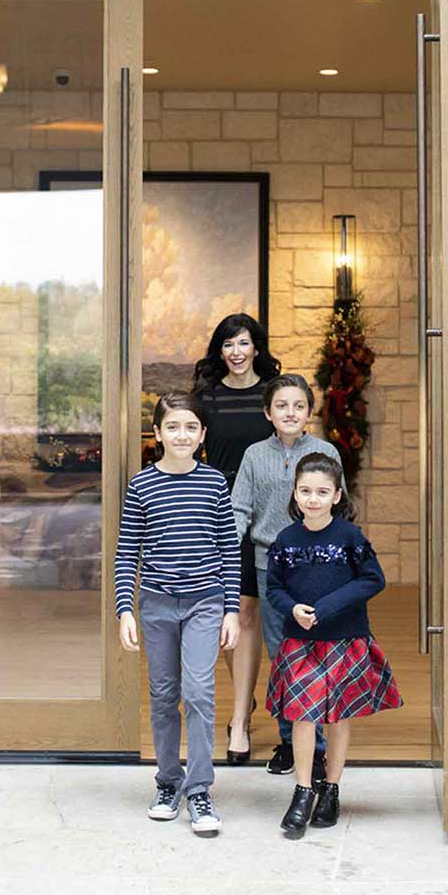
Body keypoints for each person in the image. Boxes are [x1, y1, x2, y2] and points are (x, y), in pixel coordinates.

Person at [116, 391, 240, 838]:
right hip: (156, 605)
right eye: (173, 426)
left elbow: (229, 548)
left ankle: (200, 787)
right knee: (165, 694)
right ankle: (169, 782)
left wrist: (231, 610)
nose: (182, 434)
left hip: (206, 602)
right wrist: (124, 609)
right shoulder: (142, 485)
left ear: (203, 434)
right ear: (157, 433)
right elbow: (127, 549)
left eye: (191, 426)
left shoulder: (213, 483)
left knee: (200, 691)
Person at [265, 452, 402, 839]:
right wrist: (293, 609)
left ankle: (331, 789)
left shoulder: (350, 538)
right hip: (301, 642)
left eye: (322, 492)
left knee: (339, 717)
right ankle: (303, 790)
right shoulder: (286, 541)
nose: (313, 498)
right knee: (303, 716)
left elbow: (372, 580)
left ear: (337, 496)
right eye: (305, 491)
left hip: (344, 639)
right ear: (294, 493)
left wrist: (325, 608)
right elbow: (273, 588)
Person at [232, 374, 342, 777]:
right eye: (281, 406)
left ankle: (316, 747)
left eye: (298, 405)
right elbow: (240, 509)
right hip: (269, 567)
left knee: (317, 652)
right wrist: (226, 547)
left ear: (309, 412)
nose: (290, 412)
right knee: (284, 656)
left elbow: (340, 506)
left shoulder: (325, 451)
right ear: (268, 412)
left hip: (317, 568)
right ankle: (288, 741)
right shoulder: (254, 455)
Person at [193, 313, 280, 762]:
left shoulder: (272, 394)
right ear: (220, 351)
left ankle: (242, 715)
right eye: (228, 345)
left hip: (267, 510)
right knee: (235, 611)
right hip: (219, 509)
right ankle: (242, 704)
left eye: (243, 342)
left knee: (255, 613)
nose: (236, 352)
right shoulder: (206, 397)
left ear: (256, 346)